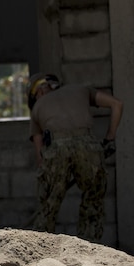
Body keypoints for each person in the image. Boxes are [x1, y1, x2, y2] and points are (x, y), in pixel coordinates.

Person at [27, 73, 122, 242]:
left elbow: (40, 155)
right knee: (93, 200)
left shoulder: (37, 107)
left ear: (38, 93)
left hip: (56, 150)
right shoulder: (81, 89)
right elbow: (117, 104)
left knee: (48, 205)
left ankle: (40, 247)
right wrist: (109, 138)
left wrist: (51, 182)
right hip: (89, 148)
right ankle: (90, 247)